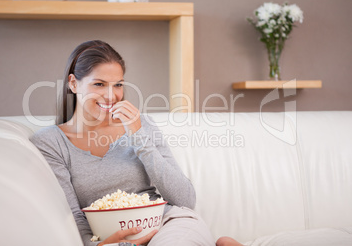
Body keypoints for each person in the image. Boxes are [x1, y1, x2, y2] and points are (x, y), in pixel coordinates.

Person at [30, 40, 242, 246]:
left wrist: (138, 135)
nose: (111, 95)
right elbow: (72, 214)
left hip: (168, 226)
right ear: (73, 83)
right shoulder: (51, 143)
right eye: (99, 84)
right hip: (110, 238)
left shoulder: (141, 125)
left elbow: (185, 199)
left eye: (118, 85)